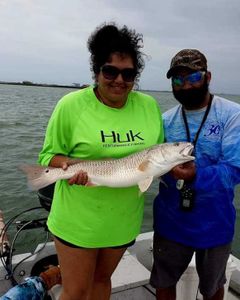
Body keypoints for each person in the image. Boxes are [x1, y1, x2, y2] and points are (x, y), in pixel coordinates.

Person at [38, 22, 164, 300]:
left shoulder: (149, 106)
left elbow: (156, 156)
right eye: (110, 71)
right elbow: (48, 157)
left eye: (128, 73)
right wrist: (72, 168)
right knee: (75, 291)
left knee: (102, 282)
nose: (119, 80)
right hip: (78, 219)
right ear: (97, 71)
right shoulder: (70, 106)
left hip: (122, 220)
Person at [150, 49, 240, 300]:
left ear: (208, 76)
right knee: (164, 281)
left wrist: (195, 176)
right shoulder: (165, 120)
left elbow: (235, 169)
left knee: (213, 287)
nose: (185, 85)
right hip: (170, 221)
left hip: (215, 223)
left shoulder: (233, 115)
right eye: (177, 80)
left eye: (193, 77)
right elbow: (149, 163)